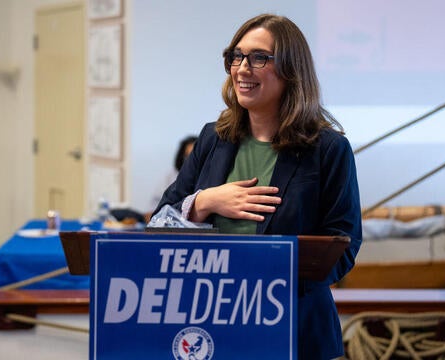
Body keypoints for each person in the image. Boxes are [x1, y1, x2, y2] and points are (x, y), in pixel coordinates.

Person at [154, 14, 362, 359]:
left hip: (294, 328)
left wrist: (264, 276)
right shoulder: (212, 138)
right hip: (209, 325)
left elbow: (344, 245)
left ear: (292, 70)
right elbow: (158, 224)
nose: (241, 68)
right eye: (236, 56)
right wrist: (204, 202)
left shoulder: (328, 149)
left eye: (258, 57)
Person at [146, 135, 197, 217]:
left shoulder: (208, 175)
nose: (192, 161)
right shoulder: (171, 176)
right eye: (188, 156)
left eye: (195, 157)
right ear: (182, 157)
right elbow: (151, 210)